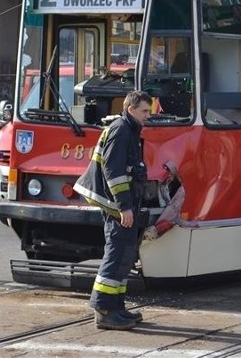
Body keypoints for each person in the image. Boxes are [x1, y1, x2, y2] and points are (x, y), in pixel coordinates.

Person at [74, 90, 152, 330]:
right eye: (145, 111)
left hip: (122, 205)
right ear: (131, 110)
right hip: (117, 206)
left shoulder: (128, 129)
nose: (148, 115)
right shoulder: (121, 130)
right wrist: (124, 207)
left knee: (125, 254)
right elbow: (114, 172)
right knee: (117, 253)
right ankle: (104, 310)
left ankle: (116, 306)